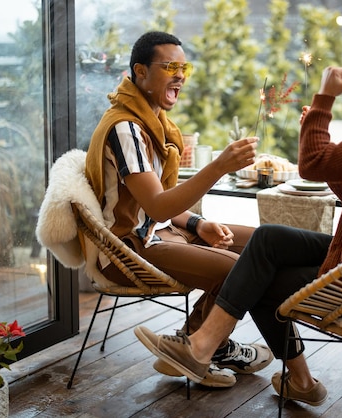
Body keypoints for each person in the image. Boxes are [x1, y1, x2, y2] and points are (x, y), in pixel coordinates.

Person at [134, 12, 342, 406]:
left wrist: (324, 101)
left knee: (260, 280)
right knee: (268, 240)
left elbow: (313, 164)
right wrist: (318, 131)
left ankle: (207, 348)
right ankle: (251, 363)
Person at [84, 31, 273, 388]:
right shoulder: (125, 128)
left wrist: (199, 224)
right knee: (239, 271)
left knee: (264, 244)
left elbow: (160, 203)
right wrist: (218, 167)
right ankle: (205, 347)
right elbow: (156, 204)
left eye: (184, 67)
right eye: (170, 66)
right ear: (140, 72)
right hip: (127, 248)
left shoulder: (156, 125)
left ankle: (196, 345)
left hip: (159, 231)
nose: (180, 75)